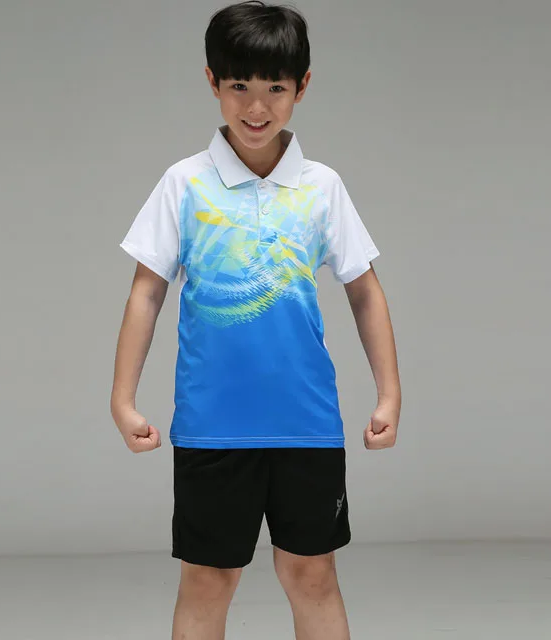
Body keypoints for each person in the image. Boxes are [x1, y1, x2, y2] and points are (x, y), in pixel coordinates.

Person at [111, 1, 401, 638]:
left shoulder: (321, 187)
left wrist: (389, 393)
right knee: (207, 580)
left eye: (275, 88)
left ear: (302, 87)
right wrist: (123, 399)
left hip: (306, 424)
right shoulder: (185, 184)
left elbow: (365, 291)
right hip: (212, 426)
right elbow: (146, 293)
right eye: (239, 85)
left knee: (312, 575)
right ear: (212, 82)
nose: (257, 106)